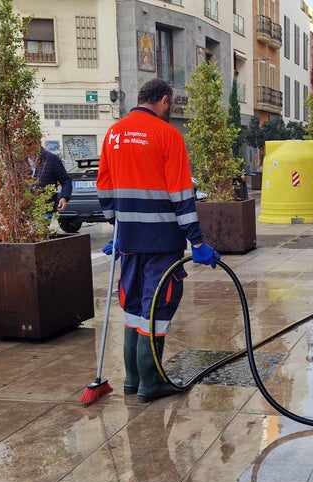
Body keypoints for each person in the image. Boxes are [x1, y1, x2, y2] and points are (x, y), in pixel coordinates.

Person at [96, 77, 220, 403]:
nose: (172, 110)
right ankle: (151, 384)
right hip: (162, 242)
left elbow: (104, 190)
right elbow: (181, 195)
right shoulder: (168, 135)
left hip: (129, 241)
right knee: (157, 309)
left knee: (134, 307)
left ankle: (133, 380)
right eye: (173, 105)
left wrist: (117, 229)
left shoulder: (114, 134)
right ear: (165, 101)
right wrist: (197, 242)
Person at [33, 146, 72, 218]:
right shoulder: (18, 160)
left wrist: (64, 197)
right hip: (23, 209)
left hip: (45, 208)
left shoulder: (52, 159)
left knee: (41, 229)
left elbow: (66, 180)